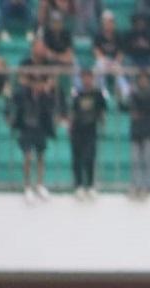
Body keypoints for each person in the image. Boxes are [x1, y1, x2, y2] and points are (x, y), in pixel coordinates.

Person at [10, 70, 57, 202]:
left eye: (40, 83)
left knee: (41, 156)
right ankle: (27, 185)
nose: (38, 86)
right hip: (27, 128)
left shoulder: (46, 97)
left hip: (40, 129)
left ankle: (40, 184)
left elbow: (51, 108)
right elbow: (15, 101)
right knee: (28, 156)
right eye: (35, 83)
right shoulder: (23, 95)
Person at [68, 68, 106, 199]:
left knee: (90, 158)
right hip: (77, 130)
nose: (87, 80)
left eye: (89, 77)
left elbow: (102, 111)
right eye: (84, 78)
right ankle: (78, 185)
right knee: (77, 158)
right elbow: (72, 111)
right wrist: (71, 125)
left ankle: (90, 185)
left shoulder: (97, 94)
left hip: (91, 129)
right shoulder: (77, 94)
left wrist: (102, 122)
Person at [123, 71, 150, 200]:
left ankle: (146, 185)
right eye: (140, 79)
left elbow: (146, 104)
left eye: (145, 79)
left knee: (147, 159)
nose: (143, 82)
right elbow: (126, 107)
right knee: (135, 160)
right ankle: (136, 184)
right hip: (136, 131)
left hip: (148, 130)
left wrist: (132, 94)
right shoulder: (133, 94)